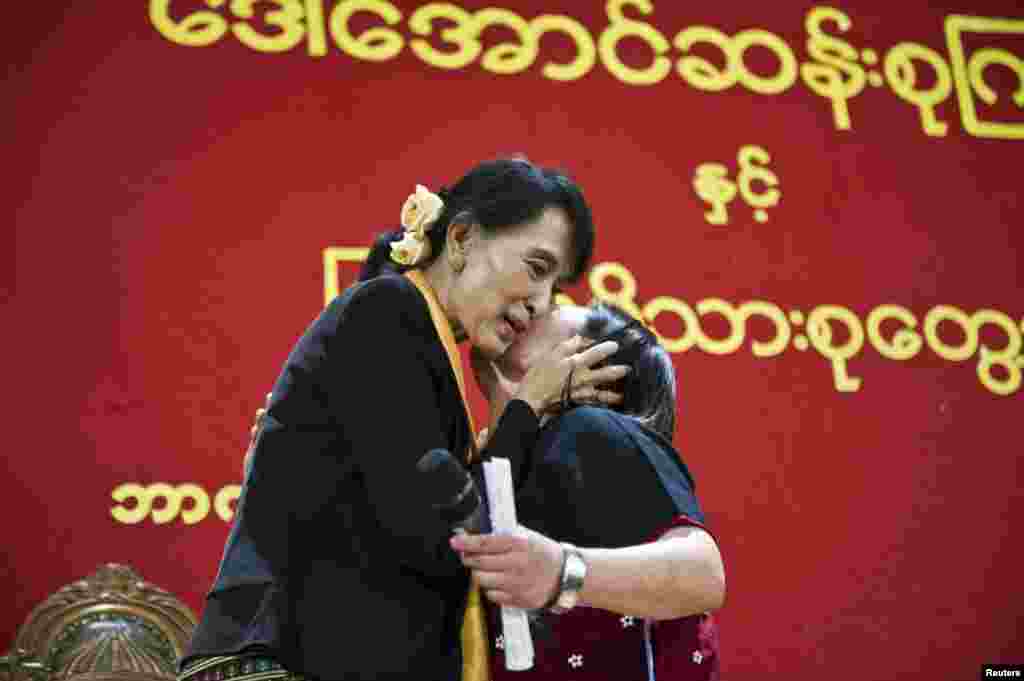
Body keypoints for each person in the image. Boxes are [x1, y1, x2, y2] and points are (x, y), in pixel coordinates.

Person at [179, 158, 630, 681]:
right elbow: (440, 534)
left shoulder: (421, 340)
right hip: (274, 663)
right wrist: (527, 408)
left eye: (555, 288)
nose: (539, 303)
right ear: (461, 238)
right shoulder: (388, 312)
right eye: (536, 268)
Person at [456, 302, 725, 680]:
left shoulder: (591, 429)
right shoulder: (503, 460)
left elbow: (703, 572)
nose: (527, 306)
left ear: (598, 371)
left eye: (549, 310)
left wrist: (561, 573)